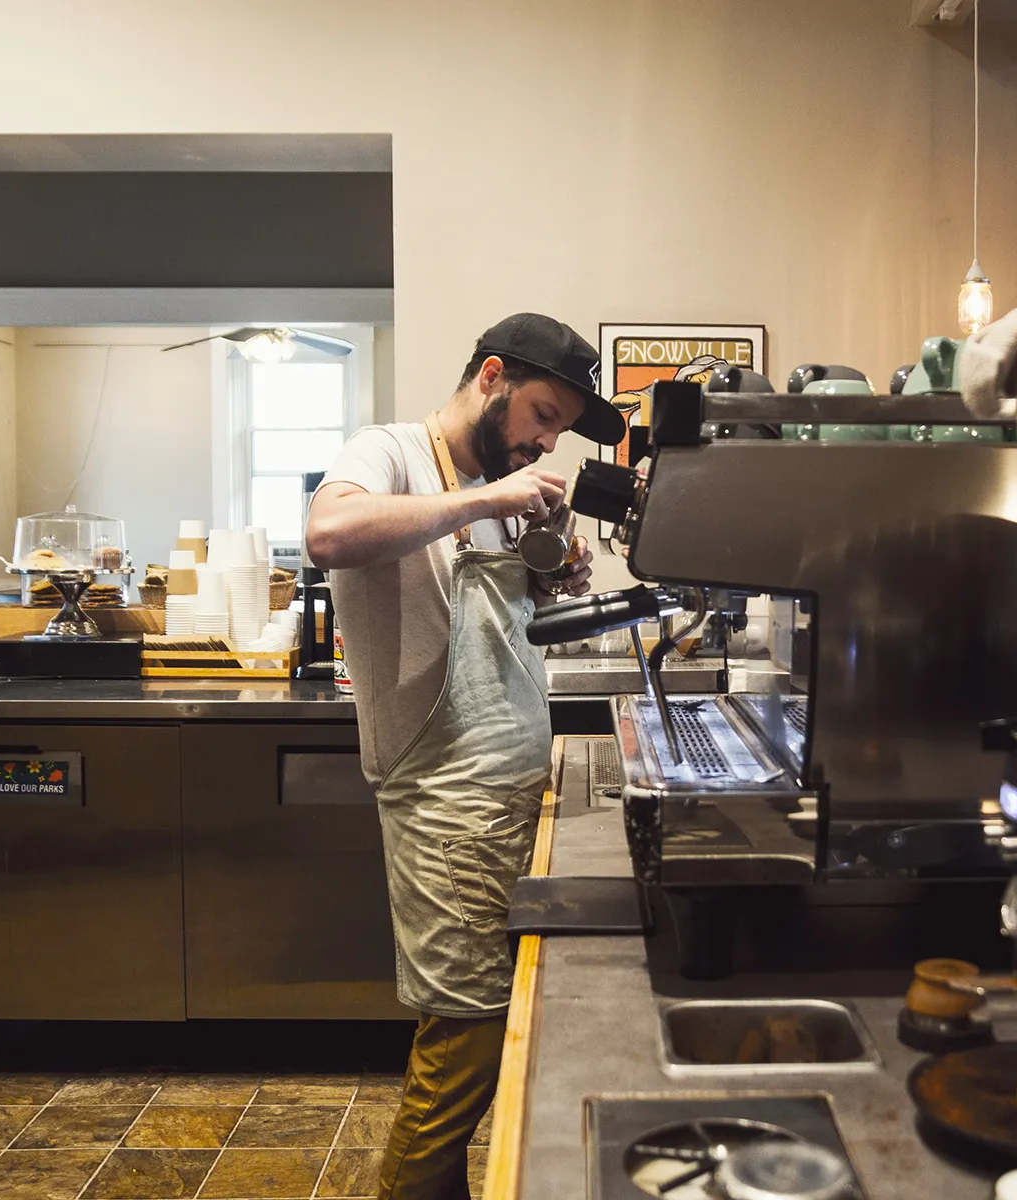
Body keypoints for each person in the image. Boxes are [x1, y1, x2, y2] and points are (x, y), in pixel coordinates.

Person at [305, 313, 624, 1199]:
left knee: (486, 1034)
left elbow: (496, 629)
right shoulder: (391, 453)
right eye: (543, 415)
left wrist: (553, 575)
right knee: (463, 1044)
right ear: (491, 376)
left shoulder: (497, 486)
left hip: (511, 793)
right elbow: (329, 534)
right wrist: (488, 502)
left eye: (560, 430)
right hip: (446, 805)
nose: (547, 442)